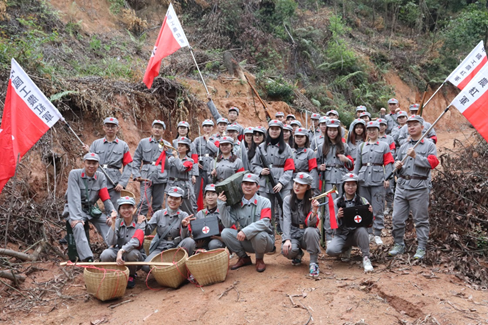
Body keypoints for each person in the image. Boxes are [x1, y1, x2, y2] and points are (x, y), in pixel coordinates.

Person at [389, 115, 439, 260]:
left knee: (421, 220)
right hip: (402, 186)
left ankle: (421, 247)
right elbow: (398, 164)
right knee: (397, 218)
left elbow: (433, 164)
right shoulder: (404, 146)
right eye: (409, 125)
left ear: (422, 127)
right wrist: (397, 167)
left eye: (415, 124)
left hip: (419, 188)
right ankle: (398, 244)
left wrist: (416, 156)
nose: (411, 127)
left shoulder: (429, 145)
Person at [218, 173, 275, 272]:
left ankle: (259, 259)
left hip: (265, 242)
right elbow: (228, 224)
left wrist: (245, 231)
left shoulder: (265, 202)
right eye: (245, 183)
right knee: (225, 232)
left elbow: (265, 222)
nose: (248, 186)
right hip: (247, 242)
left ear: (257, 187)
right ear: (241, 186)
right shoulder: (236, 204)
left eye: (251, 184)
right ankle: (243, 257)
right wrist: (221, 205)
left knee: (259, 235)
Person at [64, 153, 115, 262]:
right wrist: (76, 217)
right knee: (77, 226)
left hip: (90, 210)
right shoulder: (74, 174)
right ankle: (87, 258)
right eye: (89, 163)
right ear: (84, 163)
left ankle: (115, 250)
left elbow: (105, 197)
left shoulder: (100, 177)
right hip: (74, 209)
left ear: (98, 164)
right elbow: (74, 198)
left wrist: (112, 214)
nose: (91, 166)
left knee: (107, 223)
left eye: (94, 163)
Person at [353, 121, 394, 245]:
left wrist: (388, 179)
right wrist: (354, 180)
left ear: (378, 130)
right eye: (369, 129)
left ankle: (377, 233)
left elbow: (388, 163)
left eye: (374, 129)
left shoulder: (384, 145)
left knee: (377, 207)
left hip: (378, 179)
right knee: (365, 207)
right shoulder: (361, 146)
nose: (371, 132)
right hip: (363, 179)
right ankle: (369, 232)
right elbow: (357, 165)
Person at [251, 120, 295, 232]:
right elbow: (254, 165)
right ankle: (269, 239)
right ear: (268, 130)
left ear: (280, 131)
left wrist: (281, 183)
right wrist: (261, 171)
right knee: (266, 211)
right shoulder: (261, 147)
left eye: (277, 129)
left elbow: (290, 168)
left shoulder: (287, 148)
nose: (274, 131)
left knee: (284, 210)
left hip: (283, 184)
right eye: (272, 129)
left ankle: (286, 238)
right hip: (265, 183)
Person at [326, 173, 374, 273]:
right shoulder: (336, 202)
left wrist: (370, 214)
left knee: (362, 230)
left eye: (353, 185)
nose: (350, 188)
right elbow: (332, 224)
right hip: (342, 234)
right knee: (331, 250)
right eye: (348, 184)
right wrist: (337, 216)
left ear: (357, 186)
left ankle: (366, 257)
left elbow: (369, 224)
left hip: (357, 234)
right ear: (343, 185)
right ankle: (345, 248)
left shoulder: (363, 201)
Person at [317, 119, 354, 245]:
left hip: (342, 179)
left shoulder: (344, 146)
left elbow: (351, 165)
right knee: (330, 208)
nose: (332, 133)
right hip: (328, 180)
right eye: (330, 130)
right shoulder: (321, 146)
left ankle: (342, 234)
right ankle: (329, 235)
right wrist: (319, 167)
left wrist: (346, 160)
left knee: (343, 206)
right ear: (326, 131)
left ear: (338, 131)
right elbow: (315, 163)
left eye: (335, 130)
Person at [83, 117, 133, 209]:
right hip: (96, 180)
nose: (110, 129)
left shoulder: (123, 146)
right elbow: (90, 162)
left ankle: (114, 223)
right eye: (108, 126)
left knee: (114, 209)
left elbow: (128, 165)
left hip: (114, 182)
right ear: (103, 128)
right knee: (87, 204)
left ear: (117, 128)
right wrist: (88, 152)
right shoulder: (96, 144)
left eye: (113, 126)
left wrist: (122, 183)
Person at [142, 186, 195, 272]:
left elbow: (186, 238)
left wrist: (184, 226)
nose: (173, 201)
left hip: (176, 248)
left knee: (190, 242)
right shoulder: (158, 214)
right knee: (147, 267)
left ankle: (183, 267)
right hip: (160, 248)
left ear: (181, 201)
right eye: (171, 197)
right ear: (167, 198)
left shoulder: (184, 215)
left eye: (176, 198)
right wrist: (143, 222)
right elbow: (147, 231)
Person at [281, 173, 321, 277]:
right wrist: (287, 239)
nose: (297, 187)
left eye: (301, 185)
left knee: (311, 230)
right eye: (296, 183)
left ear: (308, 187)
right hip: (294, 232)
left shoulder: (313, 200)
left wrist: (315, 211)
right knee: (287, 250)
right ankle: (297, 253)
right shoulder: (287, 200)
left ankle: (313, 263)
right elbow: (286, 220)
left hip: (307, 233)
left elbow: (312, 224)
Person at [101, 196, 146, 288]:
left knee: (132, 253)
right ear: (119, 210)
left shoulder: (140, 221)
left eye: (129, 207)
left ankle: (131, 275)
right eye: (123, 208)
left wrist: (121, 251)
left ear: (134, 209)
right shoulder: (118, 222)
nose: (126, 211)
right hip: (119, 251)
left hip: (135, 254)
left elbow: (136, 242)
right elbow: (110, 241)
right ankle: (114, 273)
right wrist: (113, 223)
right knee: (105, 254)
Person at [132, 120, 172, 216]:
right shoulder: (143, 142)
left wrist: (166, 154)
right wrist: (136, 174)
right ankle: (139, 226)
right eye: (155, 127)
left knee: (158, 205)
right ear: (152, 129)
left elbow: (170, 164)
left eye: (160, 128)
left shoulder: (166, 145)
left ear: (163, 131)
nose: (157, 129)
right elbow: (136, 159)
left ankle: (156, 228)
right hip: (146, 176)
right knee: (144, 202)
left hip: (161, 177)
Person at [184, 184, 226, 253]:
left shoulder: (222, 212)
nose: (210, 197)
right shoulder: (200, 214)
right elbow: (196, 232)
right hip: (203, 243)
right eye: (208, 194)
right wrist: (198, 243)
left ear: (218, 196)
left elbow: (228, 230)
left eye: (213, 194)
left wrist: (221, 238)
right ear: (205, 197)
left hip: (218, 241)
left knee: (213, 244)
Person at [166, 137, 197, 215]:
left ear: (187, 148)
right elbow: (165, 166)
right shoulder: (171, 158)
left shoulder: (190, 160)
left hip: (184, 186)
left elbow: (181, 168)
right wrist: (165, 154)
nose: (179, 147)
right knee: (170, 209)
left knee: (188, 209)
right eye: (178, 145)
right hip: (172, 184)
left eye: (182, 146)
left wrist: (176, 157)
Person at [193, 119, 218, 211]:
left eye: (209, 126)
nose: (207, 128)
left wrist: (208, 141)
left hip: (210, 167)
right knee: (197, 191)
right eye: (205, 126)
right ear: (203, 128)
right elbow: (192, 152)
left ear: (212, 128)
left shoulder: (215, 139)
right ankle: (196, 211)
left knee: (211, 189)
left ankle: (211, 209)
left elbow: (217, 151)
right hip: (200, 168)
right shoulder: (197, 140)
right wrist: (196, 163)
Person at [378, 118, 396, 216]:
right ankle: (380, 207)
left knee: (389, 187)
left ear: (386, 126)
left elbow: (393, 151)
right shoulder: (373, 138)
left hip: (388, 164)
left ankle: (389, 206)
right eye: (379, 125)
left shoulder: (389, 138)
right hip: (377, 165)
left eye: (383, 125)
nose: (381, 127)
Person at [292, 128, 319, 194]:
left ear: (306, 138)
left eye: (302, 136)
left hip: (304, 181)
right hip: (292, 181)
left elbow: (313, 170)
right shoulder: (291, 151)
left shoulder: (310, 152)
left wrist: (312, 187)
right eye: (297, 136)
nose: (299, 138)